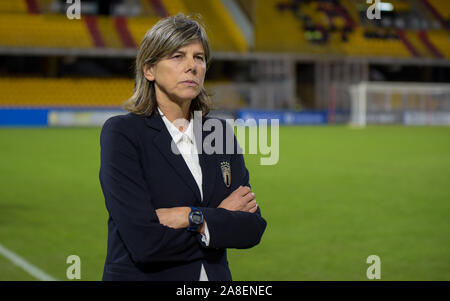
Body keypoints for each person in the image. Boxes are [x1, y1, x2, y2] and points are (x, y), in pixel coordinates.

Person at [99, 13, 267, 281]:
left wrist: (190, 216)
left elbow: (252, 227)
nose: (192, 66)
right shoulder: (122, 133)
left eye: (199, 57)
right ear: (149, 70)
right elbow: (145, 243)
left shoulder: (220, 132)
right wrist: (216, 220)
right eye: (177, 56)